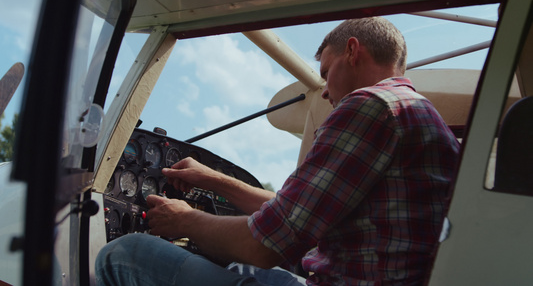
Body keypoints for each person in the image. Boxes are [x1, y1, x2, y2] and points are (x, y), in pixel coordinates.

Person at [96, 17, 460, 285]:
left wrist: (183, 219)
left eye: (326, 72)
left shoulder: (371, 105)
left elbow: (265, 245)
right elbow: (296, 212)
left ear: (352, 52)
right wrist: (213, 180)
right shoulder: (420, 114)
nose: (327, 93)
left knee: (124, 255)